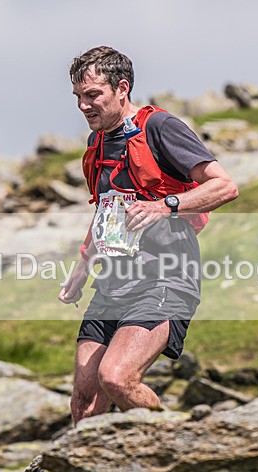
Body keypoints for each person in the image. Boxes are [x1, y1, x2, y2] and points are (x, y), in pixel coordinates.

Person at [59, 46, 238, 423]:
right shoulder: (98, 143)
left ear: (122, 88)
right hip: (113, 283)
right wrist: (83, 266)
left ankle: (177, 443)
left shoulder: (160, 128)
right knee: (84, 403)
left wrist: (164, 206)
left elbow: (224, 186)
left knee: (117, 377)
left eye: (92, 95)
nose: (83, 106)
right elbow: (106, 209)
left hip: (166, 280)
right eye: (77, 96)